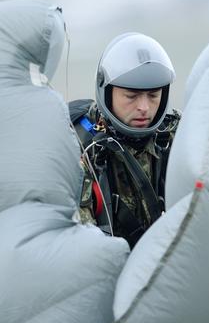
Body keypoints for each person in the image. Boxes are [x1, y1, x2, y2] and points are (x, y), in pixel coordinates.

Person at [70, 32, 181, 248]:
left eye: (153, 95)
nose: (144, 107)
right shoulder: (80, 149)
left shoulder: (177, 137)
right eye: (131, 96)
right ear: (107, 92)